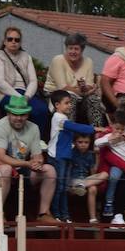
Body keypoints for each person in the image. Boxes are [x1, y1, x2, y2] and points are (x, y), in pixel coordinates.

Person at [0, 95, 56, 225]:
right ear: (8, 113)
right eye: (15, 114)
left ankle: (43, 213)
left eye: (23, 115)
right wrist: (27, 163)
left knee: (49, 170)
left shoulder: (33, 128)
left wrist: (38, 162)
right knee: (6, 169)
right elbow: (0, 158)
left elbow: (37, 154)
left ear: (27, 115)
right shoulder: (0, 126)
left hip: (20, 167)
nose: (19, 118)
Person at [49, 90, 97, 223]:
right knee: (59, 187)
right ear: (57, 105)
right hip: (58, 156)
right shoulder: (58, 117)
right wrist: (93, 129)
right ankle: (57, 214)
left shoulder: (63, 117)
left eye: (70, 103)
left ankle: (65, 215)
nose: (70, 105)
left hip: (64, 156)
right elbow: (73, 126)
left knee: (63, 187)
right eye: (67, 103)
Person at [0, 26, 49, 134]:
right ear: (4, 41)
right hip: (7, 93)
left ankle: (37, 140)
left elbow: (33, 81)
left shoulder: (26, 56)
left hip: (26, 93)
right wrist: (19, 97)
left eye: (17, 40)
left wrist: (26, 96)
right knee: (19, 110)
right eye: (10, 39)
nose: (13, 42)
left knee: (42, 109)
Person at [45, 32, 104, 129]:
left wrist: (84, 88)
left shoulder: (88, 62)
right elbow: (62, 87)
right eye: (70, 48)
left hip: (81, 95)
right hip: (55, 94)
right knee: (69, 98)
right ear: (66, 48)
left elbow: (89, 85)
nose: (73, 52)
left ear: (82, 50)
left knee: (94, 99)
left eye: (76, 49)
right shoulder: (58, 60)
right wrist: (84, 91)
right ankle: (69, 132)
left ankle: (97, 133)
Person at [64, 131, 106, 223]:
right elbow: (67, 172)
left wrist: (97, 156)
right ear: (74, 142)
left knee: (104, 176)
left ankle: (92, 218)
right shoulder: (71, 153)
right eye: (80, 142)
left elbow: (93, 172)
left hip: (85, 181)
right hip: (73, 181)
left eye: (86, 142)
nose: (83, 145)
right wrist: (68, 186)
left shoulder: (90, 155)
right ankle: (79, 186)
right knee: (92, 187)